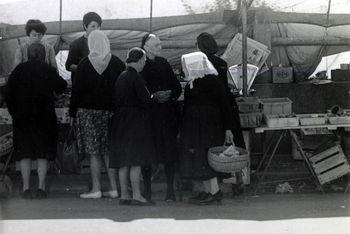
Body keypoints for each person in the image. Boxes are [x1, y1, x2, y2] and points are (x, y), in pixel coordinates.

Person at [5, 43, 67, 199]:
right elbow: (62, 86)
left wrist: (14, 112)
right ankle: (41, 187)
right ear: (43, 54)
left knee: (24, 153)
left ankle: (26, 187)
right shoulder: (48, 69)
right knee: (43, 153)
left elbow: (7, 92)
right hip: (44, 117)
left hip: (23, 118)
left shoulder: (19, 70)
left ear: (28, 54)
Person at [69, 30, 125, 199]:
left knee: (93, 153)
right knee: (108, 151)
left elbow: (76, 92)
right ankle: (115, 189)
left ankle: (96, 189)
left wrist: (72, 113)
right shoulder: (117, 63)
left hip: (88, 114)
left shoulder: (84, 64)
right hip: (111, 113)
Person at [180, 51, 234, 205]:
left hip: (209, 125)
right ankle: (206, 190)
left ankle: (215, 192)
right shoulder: (193, 82)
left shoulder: (212, 81)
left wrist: (228, 128)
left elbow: (224, 105)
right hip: (197, 125)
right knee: (199, 157)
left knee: (206, 157)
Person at [196, 32, 246, 194]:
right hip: (226, 107)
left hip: (211, 111)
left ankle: (213, 185)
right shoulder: (222, 63)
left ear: (200, 47)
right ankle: (239, 181)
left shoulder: (199, 64)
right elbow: (224, 90)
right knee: (234, 144)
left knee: (213, 148)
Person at [109, 47, 155, 206]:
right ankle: (137, 195)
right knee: (136, 160)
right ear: (141, 60)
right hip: (135, 121)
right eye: (144, 61)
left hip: (120, 121)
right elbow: (146, 100)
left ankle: (125, 195)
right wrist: (154, 97)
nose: (144, 64)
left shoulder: (121, 76)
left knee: (123, 161)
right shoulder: (137, 77)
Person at [140, 33, 182, 202]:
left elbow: (177, 87)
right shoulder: (140, 65)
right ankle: (148, 190)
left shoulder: (164, 63)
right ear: (146, 47)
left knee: (169, 154)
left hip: (167, 117)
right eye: (156, 45)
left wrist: (169, 95)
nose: (160, 48)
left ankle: (170, 190)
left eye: (160, 44)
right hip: (149, 118)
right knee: (147, 155)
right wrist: (153, 97)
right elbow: (138, 91)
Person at [65, 12, 102, 84]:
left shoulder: (101, 43)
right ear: (85, 26)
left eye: (98, 26)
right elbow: (68, 66)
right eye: (93, 26)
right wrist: (84, 68)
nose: (96, 29)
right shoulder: (76, 44)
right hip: (81, 84)